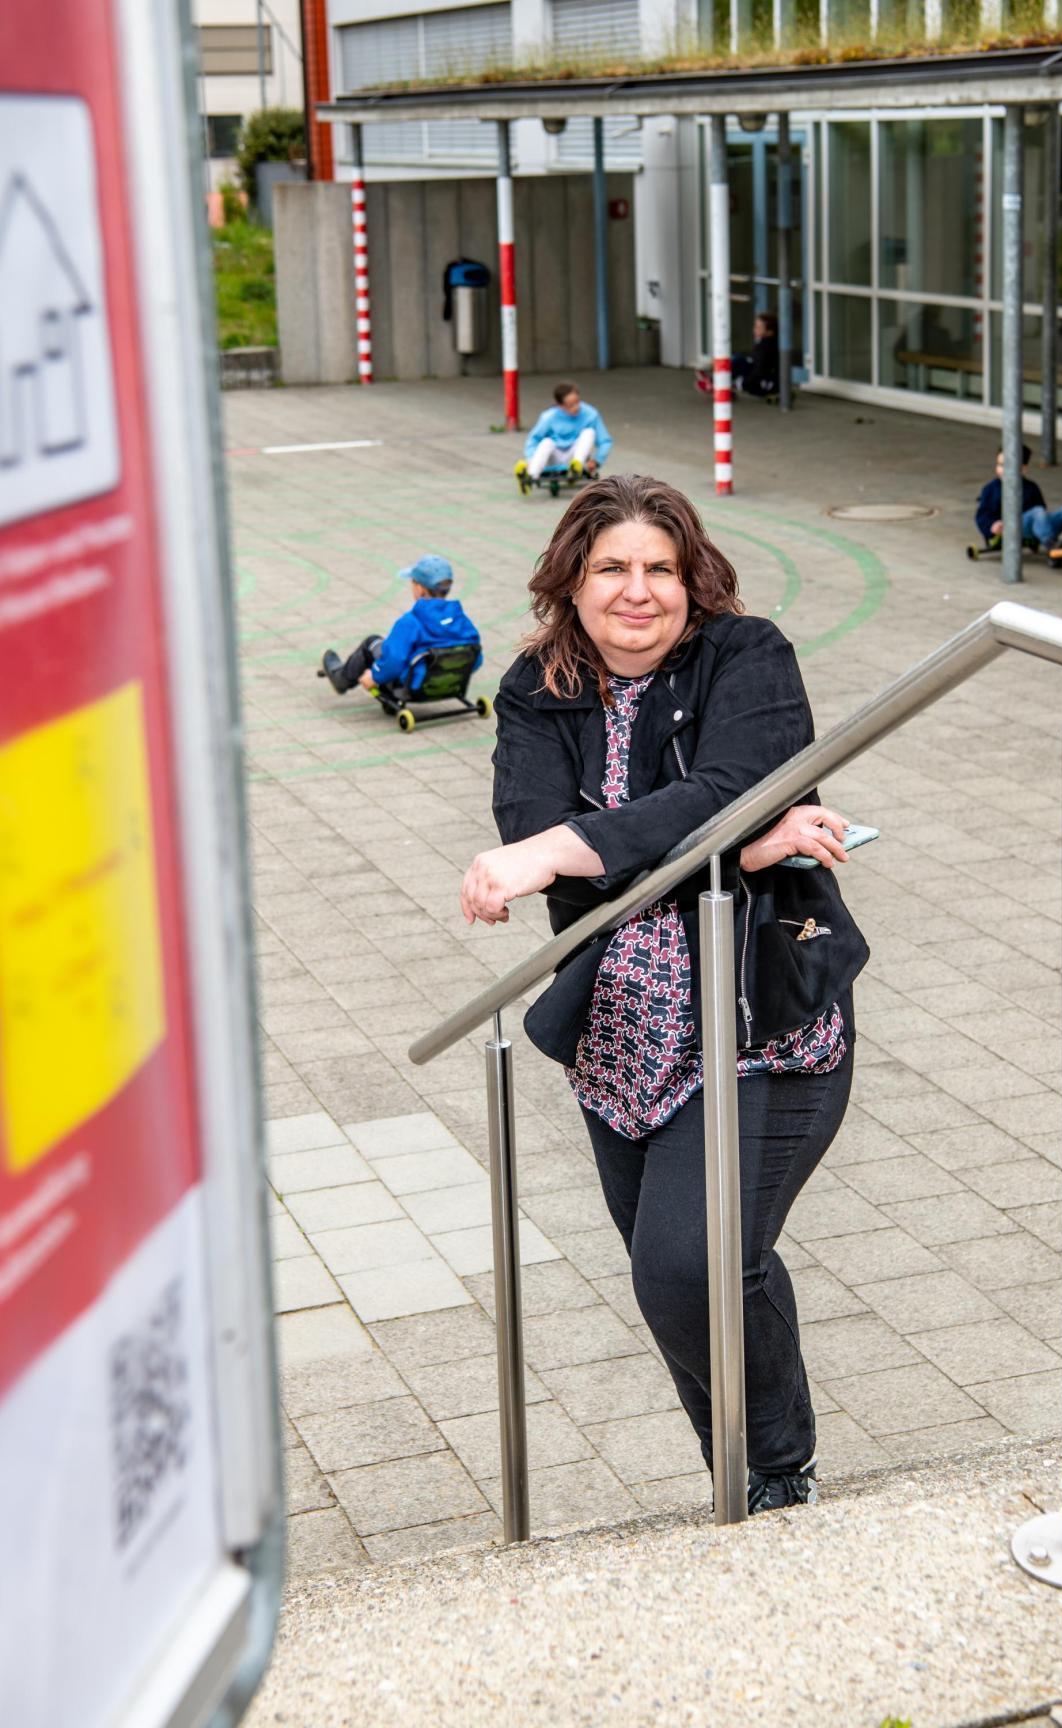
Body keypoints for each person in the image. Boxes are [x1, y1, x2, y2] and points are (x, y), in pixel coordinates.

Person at [460, 475, 869, 1514]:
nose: (638, 591)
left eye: (661, 569)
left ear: (693, 582)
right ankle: (733, 1471)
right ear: (573, 581)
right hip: (621, 1039)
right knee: (691, 1276)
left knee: (687, 1268)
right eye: (613, 569)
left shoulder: (749, 657)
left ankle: (776, 1477)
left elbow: (722, 787)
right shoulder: (534, 688)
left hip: (761, 1024)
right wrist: (742, 841)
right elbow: (565, 864)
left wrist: (573, 844)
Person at [318, 555, 481, 697]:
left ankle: (341, 678)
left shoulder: (411, 622)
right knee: (396, 647)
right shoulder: (462, 620)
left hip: (414, 683)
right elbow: (476, 659)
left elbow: (394, 660)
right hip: (451, 680)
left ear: (420, 589)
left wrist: (374, 677)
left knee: (372, 643)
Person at [516, 382, 613, 487]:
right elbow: (533, 439)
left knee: (589, 432)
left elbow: (605, 440)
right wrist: (530, 458)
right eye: (571, 405)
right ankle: (530, 475)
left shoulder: (590, 414)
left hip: (576, 454)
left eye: (577, 402)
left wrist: (597, 460)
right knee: (546, 442)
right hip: (554, 456)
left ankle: (576, 467)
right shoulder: (549, 416)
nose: (576, 407)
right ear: (560, 405)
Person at [695, 312, 780, 400]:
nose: (754, 329)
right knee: (738, 360)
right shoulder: (766, 344)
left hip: (766, 385)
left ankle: (714, 382)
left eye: (759, 328)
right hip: (763, 381)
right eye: (755, 326)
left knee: (739, 362)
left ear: (769, 332)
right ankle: (715, 381)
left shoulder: (766, 347)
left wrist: (743, 383)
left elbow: (760, 370)